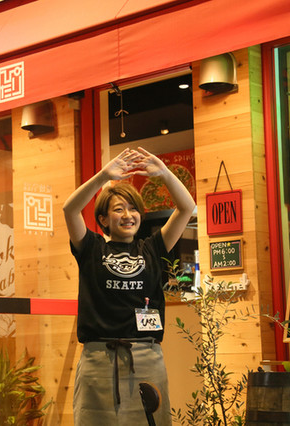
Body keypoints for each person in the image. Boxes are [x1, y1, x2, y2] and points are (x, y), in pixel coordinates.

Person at [63, 147, 195, 425]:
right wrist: (103, 176)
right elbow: (70, 209)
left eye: (133, 208)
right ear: (103, 219)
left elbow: (187, 207)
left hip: (146, 357)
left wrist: (165, 174)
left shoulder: (153, 247)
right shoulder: (91, 248)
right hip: (98, 359)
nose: (128, 214)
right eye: (118, 209)